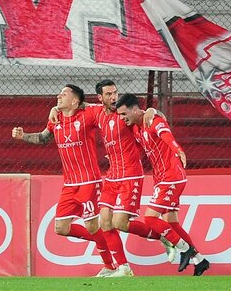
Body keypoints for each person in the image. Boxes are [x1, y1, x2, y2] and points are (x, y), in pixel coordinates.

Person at [48, 79, 175, 277]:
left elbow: (148, 116)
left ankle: (164, 237)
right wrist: (55, 107)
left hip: (130, 174)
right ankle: (123, 268)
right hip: (112, 176)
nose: (114, 97)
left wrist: (153, 110)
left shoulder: (124, 115)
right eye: (108, 94)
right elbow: (77, 103)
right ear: (100, 97)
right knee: (106, 222)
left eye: (115, 93)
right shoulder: (96, 112)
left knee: (118, 223)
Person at [12, 84, 116, 277]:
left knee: (92, 225)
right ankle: (102, 239)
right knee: (61, 228)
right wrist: (23, 136)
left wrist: (80, 104)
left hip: (89, 181)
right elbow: (43, 138)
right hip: (69, 184)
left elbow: (105, 108)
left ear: (75, 100)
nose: (58, 96)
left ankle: (110, 266)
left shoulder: (87, 115)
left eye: (64, 94)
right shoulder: (56, 119)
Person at [116, 93, 210, 276]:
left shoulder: (153, 121)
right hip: (162, 178)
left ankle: (184, 249)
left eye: (124, 114)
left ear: (135, 110)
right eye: (120, 115)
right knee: (172, 223)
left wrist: (178, 150)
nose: (122, 118)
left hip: (171, 176)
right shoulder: (136, 128)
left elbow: (166, 135)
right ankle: (200, 261)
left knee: (150, 219)